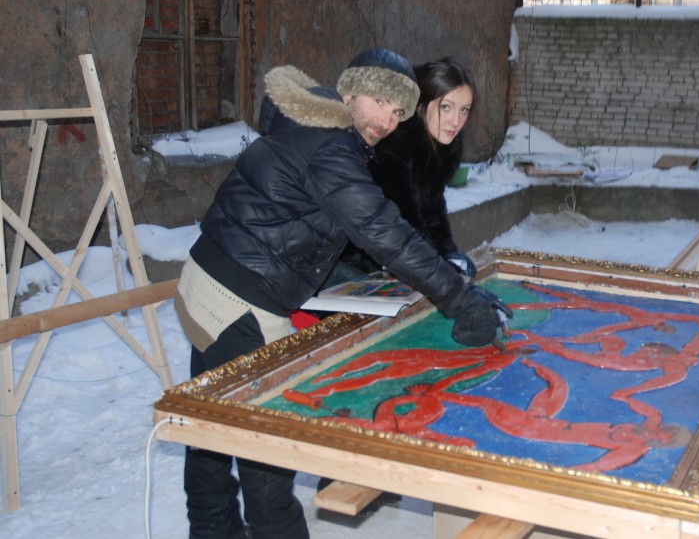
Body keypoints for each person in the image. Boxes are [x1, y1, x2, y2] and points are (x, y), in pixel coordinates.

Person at [173, 48, 509, 539]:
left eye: (397, 112)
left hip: (207, 281)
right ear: (349, 92)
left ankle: (211, 530)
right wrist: (459, 299)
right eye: (379, 102)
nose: (386, 120)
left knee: (210, 430)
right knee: (269, 455)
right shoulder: (331, 146)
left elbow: (305, 219)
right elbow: (383, 231)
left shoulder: (310, 128)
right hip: (240, 306)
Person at [327, 57, 479, 287]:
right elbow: (398, 217)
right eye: (445, 107)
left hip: (390, 253)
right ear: (421, 104)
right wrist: (436, 270)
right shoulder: (393, 141)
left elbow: (432, 207)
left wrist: (448, 252)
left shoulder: (442, 147)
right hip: (344, 256)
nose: (456, 121)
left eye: (464, 110)